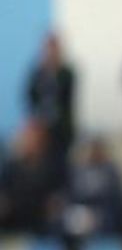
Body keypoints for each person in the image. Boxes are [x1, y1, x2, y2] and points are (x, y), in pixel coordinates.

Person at [56, 137, 122, 250]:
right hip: (81, 213)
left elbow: (116, 199)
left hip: (104, 215)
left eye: (97, 149)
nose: (93, 152)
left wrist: (98, 215)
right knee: (63, 221)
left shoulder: (111, 171)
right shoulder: (77, 171)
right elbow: (71, 195)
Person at [0, 121, 63, 237]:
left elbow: (59, 194)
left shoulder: (54, 167)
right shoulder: (11, 167)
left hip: (42, 221)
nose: (30, 142)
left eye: (34, 138)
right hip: (14, 219)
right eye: (27, 137)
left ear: (43, 141)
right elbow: (4, 193)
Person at [25, 33, 76, 176]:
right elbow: (30, 96)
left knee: (61, 165)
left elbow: (67, 97)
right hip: (41, 129)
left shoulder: (67, 72)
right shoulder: (37, 73)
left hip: (61, 130)